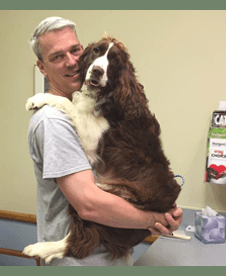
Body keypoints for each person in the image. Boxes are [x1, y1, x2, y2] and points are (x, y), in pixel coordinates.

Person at [27, 16, 183, 266]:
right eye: (57, 56)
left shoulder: (92, 108)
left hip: (109, 253)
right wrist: (153, 218)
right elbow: (89, 205)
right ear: (42, 67)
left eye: (75, 50)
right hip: (79, 262)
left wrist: (158, 212)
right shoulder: (53, 120)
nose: (72, 61)